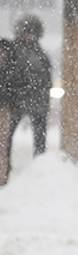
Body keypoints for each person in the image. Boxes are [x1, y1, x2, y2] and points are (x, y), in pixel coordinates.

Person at [10, 15, 52, 157]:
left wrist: (45, 100)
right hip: (17, 100)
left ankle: (39, 162)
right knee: (7, 136)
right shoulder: (13, 52)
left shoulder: (41, 55)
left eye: (32, 32)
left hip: (36, 101)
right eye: (27, 32)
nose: (30, 36)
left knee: (40, 139)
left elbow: (46, 80)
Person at [0, 37, 22, 187]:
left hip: (4, 109)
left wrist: (13, 104)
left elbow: (16, 90)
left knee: (3, 144)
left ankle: (2, 175)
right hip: (6, 108)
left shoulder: (11, 70)